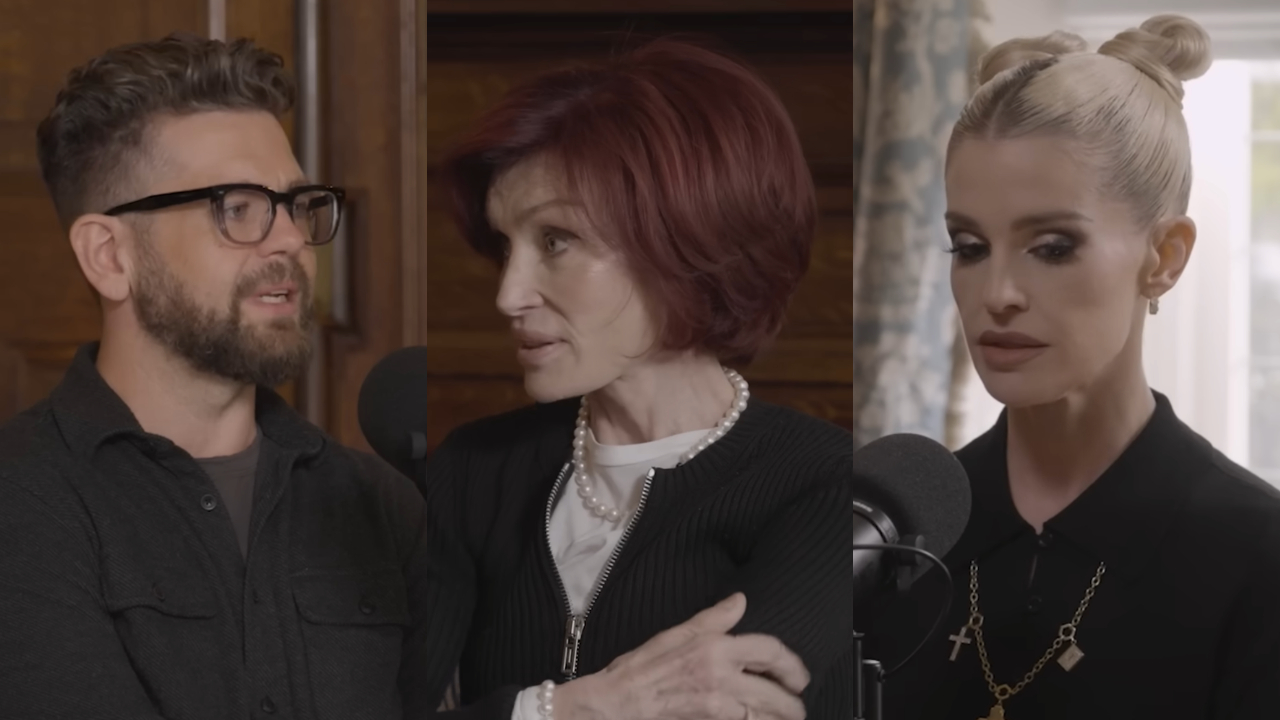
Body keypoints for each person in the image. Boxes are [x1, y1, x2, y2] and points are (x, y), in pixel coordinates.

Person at [420, 38, 855, 719]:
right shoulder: (473, 471)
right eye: (506, 246)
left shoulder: (824, 483)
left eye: (556, 241)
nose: (509, 295)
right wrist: (574, 708)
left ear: (686, 245)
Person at [0, 34, 433, 718]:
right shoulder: (21, 505)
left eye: (295, 203)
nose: (290, 239)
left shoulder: (382, 505)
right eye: (237, 207)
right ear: (109, 255)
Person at [872, 14, 1280, 720]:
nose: (997, 293)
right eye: (969, 246)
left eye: (1053, 247)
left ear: (1164, 257)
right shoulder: (895, 533)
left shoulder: (1257, 556)